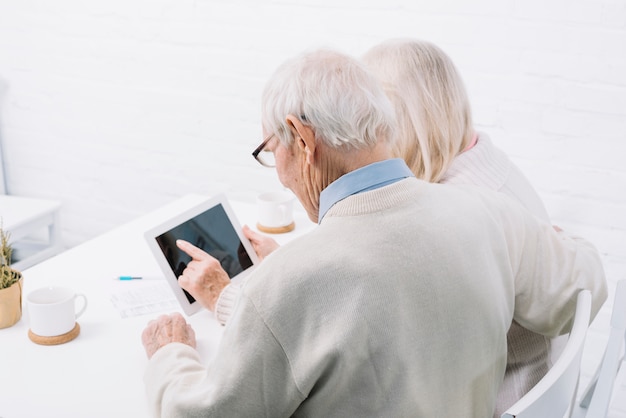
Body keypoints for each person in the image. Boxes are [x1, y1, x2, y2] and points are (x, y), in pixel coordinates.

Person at [141, 48, 607, 417]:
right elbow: (588, 283)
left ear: (301, 140)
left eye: (270, 151)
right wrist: (560, 240)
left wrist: (170, 356)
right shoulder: (491, 212)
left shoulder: (284, 285)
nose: (278, 172)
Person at [359, 38, 572, 416]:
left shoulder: (454, 218)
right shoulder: (486, 161)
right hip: (534, 388)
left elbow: (371, 339)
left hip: (499, 399)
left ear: (400, 120)